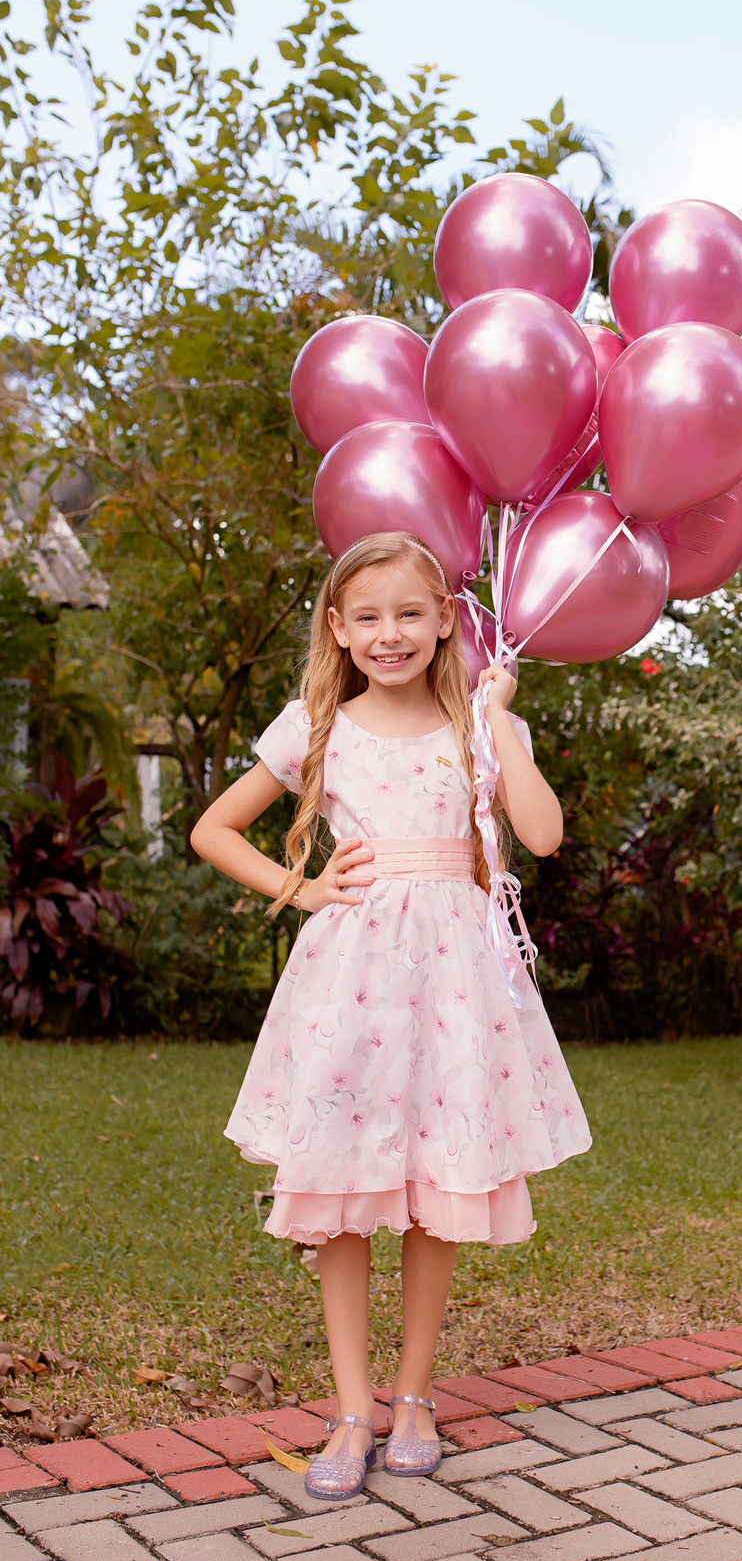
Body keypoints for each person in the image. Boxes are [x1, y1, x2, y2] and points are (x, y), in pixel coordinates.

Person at [190, 530, 591, 1499]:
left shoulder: (474, 726)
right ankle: (351, 1405)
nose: (390, 633)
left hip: (453, 984)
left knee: (435, 1180)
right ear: (337, 627)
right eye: (367, 616)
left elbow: (542, 834)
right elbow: (213, 828)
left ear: (446, 618)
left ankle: (414, 1395)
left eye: (411, 612)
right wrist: (302, 887)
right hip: (353, 982)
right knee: (342, 1190)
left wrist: (500, 718)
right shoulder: (317, 725)